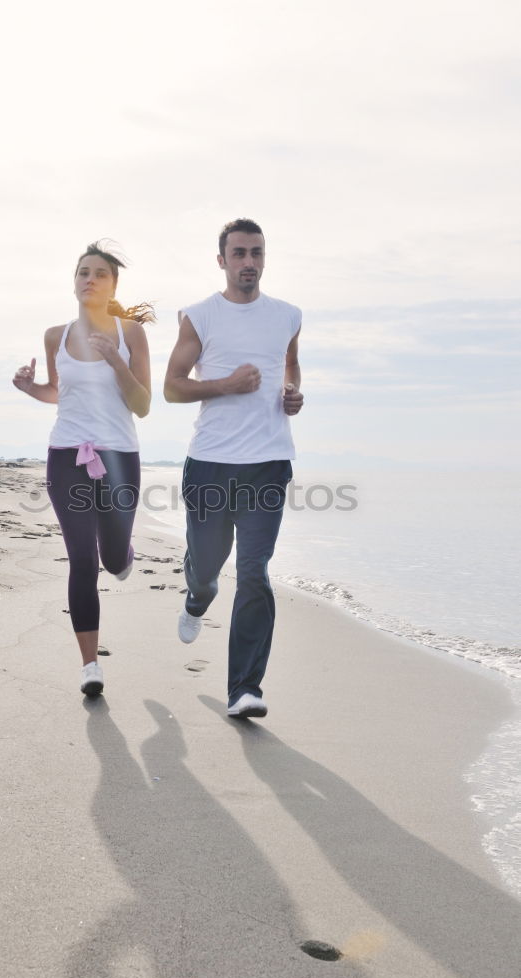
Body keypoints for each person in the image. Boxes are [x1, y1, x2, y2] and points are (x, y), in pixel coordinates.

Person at [164, 218, 303, 719]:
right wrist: (225, 384)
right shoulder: (200, 316)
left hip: (268, 464)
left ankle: (245, 688)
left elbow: (290, 365)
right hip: (210, 465)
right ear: (221, 261)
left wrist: (293, 396)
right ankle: (197, 598)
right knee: (207, 569)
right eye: (239, 253)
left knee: (254, 574)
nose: (249, 262)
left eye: (257, 253)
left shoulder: (288, 315)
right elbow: (173, 387)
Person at [13, 242, 154, 698]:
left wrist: (116, 360)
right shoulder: (56, 335)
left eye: (100, 274)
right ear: (74, 281)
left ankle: (124, 554)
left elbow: (143, 405)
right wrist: (30, 388)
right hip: (66, 455)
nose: (89, 279)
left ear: (113, 284)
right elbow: (60, 392)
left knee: (112, 560)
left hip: (118, 457)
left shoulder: (130, 333)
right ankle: (89, 664)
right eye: (82, 272)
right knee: (82, 560)